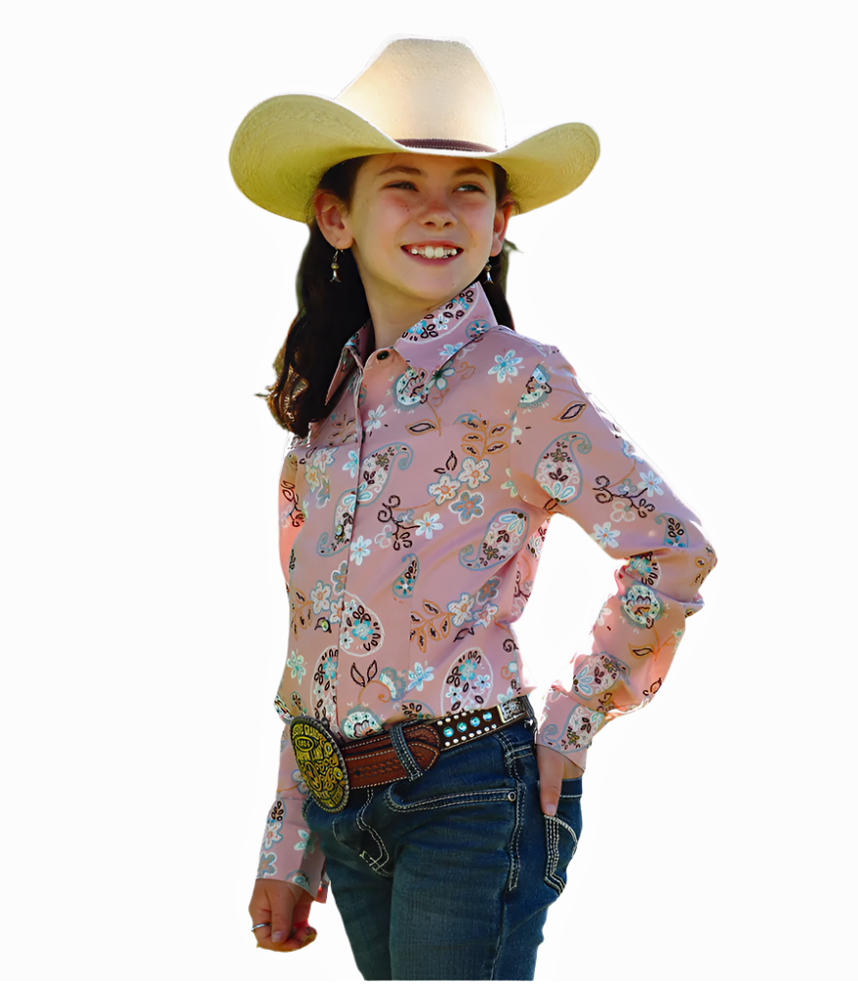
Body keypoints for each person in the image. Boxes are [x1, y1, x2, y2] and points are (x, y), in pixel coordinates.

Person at [230, 36, 716, 981]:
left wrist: (571, 727)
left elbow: (672, 550)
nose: (439, 210)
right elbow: (314, 638)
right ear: (337, 217)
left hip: (467, 799)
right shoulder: (327, 408)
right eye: (403, 184)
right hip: (346, 811)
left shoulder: (517, 380)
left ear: (499, 225)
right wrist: (290, 845)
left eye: (468, 188)